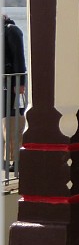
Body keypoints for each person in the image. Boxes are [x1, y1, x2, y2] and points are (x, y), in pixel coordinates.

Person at [3, 14, 27, 172]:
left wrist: (20, 83)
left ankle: (15, 159)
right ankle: (7, 158)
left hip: (10, 83)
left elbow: (19, 58)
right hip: (5, 82)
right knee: (6, 121)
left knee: (11, 120)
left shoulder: (11, 31)